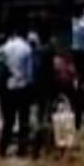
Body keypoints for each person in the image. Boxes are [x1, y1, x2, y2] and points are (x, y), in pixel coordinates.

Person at [0, 29, 33, 158]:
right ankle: (22, 150)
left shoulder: (7, 46)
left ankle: (2, 149)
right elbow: (29, 73)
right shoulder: (27, 49)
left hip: (8, 89)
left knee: (8, 121)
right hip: (22, 89)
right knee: (23, 121)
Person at [29, 28, 58, 157]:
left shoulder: (36, 51)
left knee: (40, 117)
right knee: (47, 118)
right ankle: (46, 146)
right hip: (48, 88)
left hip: (38, 88)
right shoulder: (49, 51)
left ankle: (37, 148)